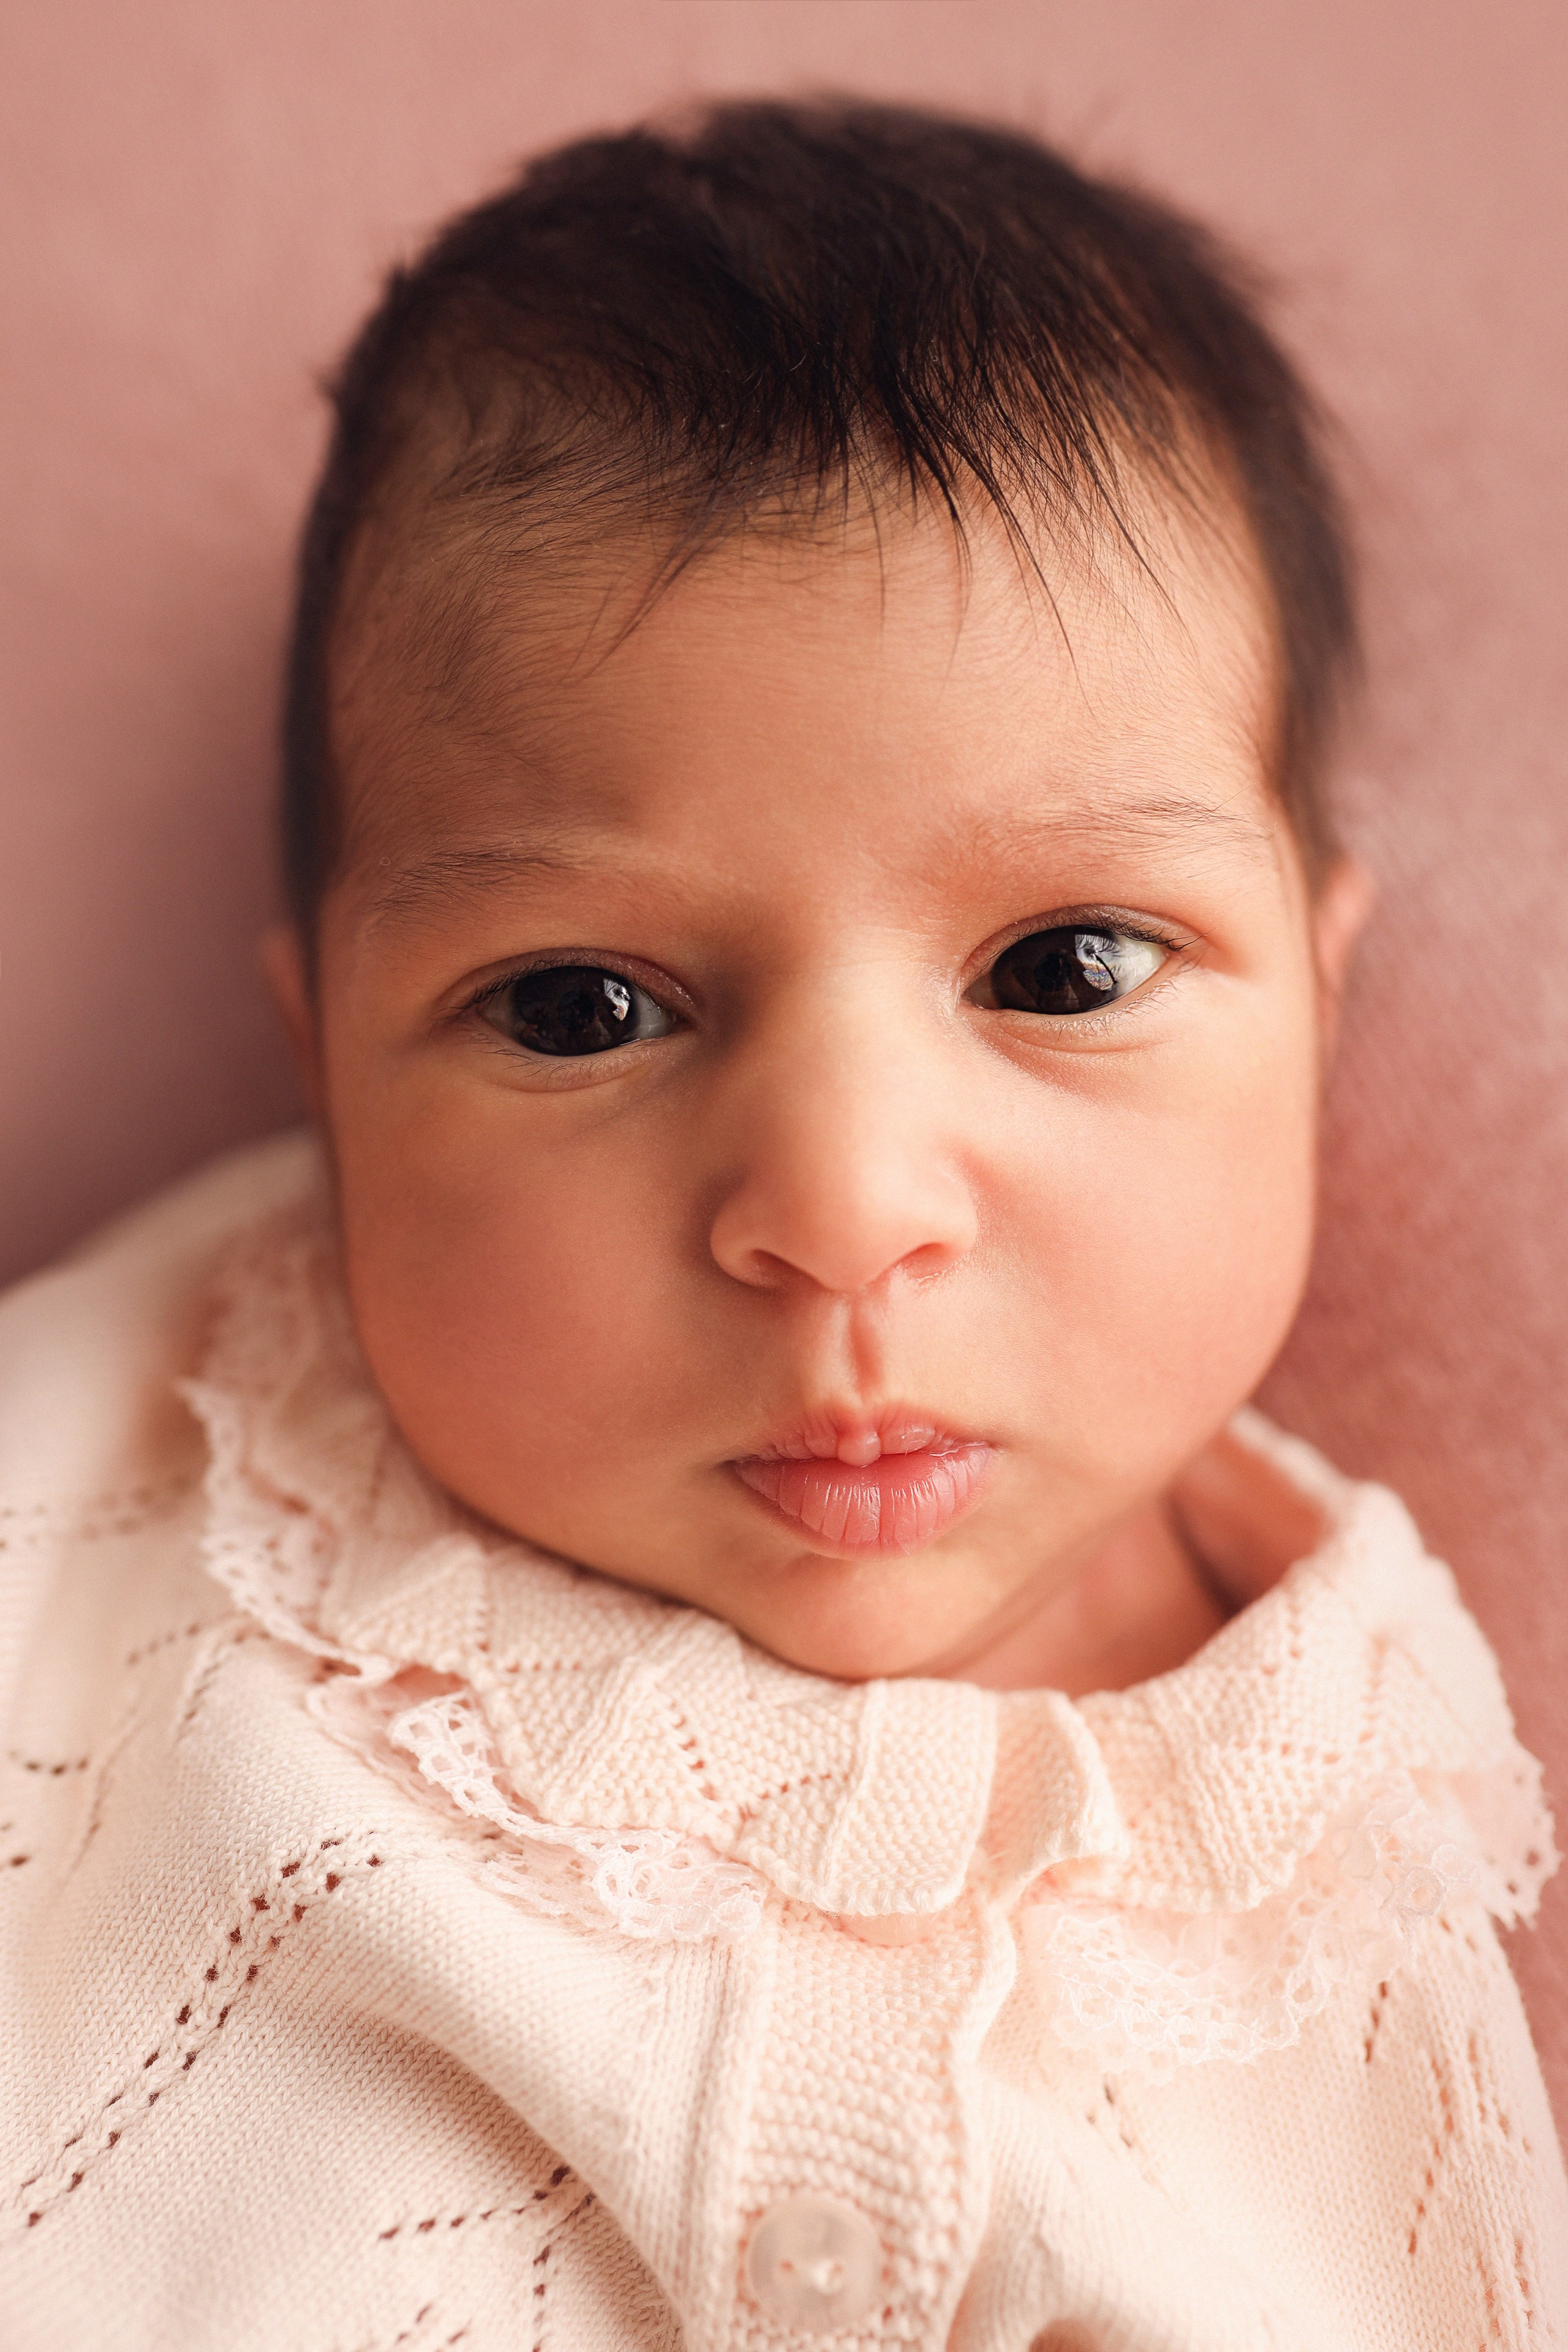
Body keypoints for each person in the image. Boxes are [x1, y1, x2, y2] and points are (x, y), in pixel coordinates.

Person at [1, 99, 1562, 2351]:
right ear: (325, 1069)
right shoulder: (130, 1435)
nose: (839, 1216)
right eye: (582, 1009)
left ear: (1319, 1004)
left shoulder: (1350, 1832)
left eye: (1064, 971)